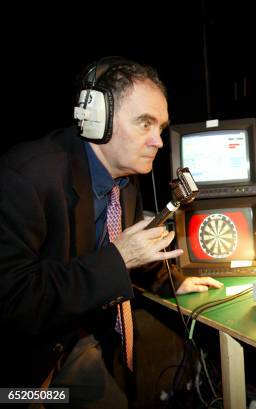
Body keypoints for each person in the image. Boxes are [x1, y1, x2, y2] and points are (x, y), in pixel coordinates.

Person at [0, 57, 221, 405]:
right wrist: (120, 257)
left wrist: (174, 282)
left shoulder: (125, 183)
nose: (158, 141)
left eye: (160, 127)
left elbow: (124, 253)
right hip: (16, 366)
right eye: (145, 124)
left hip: (71, 342)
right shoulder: (26, 176)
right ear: (94, 119)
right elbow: (13, 300)